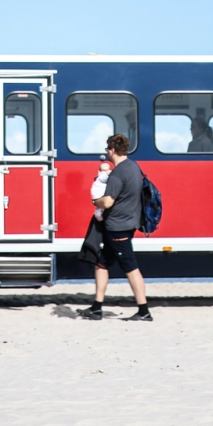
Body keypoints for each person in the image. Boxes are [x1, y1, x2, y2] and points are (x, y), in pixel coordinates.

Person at [80, 134, 151, 321]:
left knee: (130, 267)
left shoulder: (118, 173)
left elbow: (107, 202)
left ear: (111, 150)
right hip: (128, 223)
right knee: (101, 263)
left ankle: (144, 311)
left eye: (107, 150)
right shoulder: (134, 167)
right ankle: (96, 308)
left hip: (118, 227)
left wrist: (95, 201)